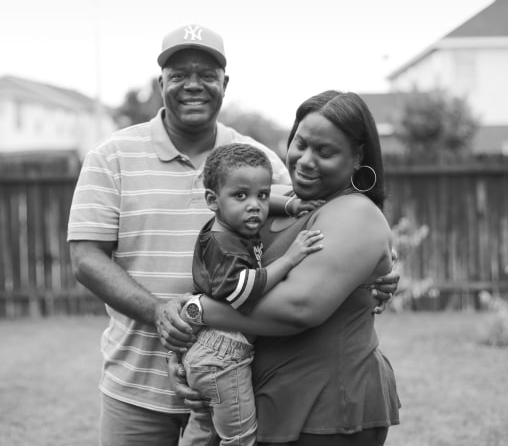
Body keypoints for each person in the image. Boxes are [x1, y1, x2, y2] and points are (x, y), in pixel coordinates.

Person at [67, 23, 399, 446]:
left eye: (206, 75)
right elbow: (86, 259)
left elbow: (323, 222)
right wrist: (160, 313)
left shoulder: (258, 159)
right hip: (140, 380)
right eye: (179, 74)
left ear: (225, 83)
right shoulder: (111, 156)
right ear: (160, 82)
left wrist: (382, 265)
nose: (194, 85)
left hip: (238, 376)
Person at [169, 90, 400, 446]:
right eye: (301, 143)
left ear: (357, 157)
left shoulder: (355, 213)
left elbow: (298, 308)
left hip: (327, 406)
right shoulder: (268, 200)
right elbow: (224, 271)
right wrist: (195, 354)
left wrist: (198, 311)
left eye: (325, 152)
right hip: (258, 394)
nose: (306, 160)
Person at [178, 143, 324, 446]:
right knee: (241, 438)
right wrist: (291, 257)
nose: (255, 205)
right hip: (224, 358)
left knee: (204, 429)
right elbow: (245, 294)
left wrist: (290, 206)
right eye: (240, 196)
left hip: (207, 352)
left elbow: (259, 198)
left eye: (263, 195)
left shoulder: (225, 227)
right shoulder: (226, 247)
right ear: (212, 200)